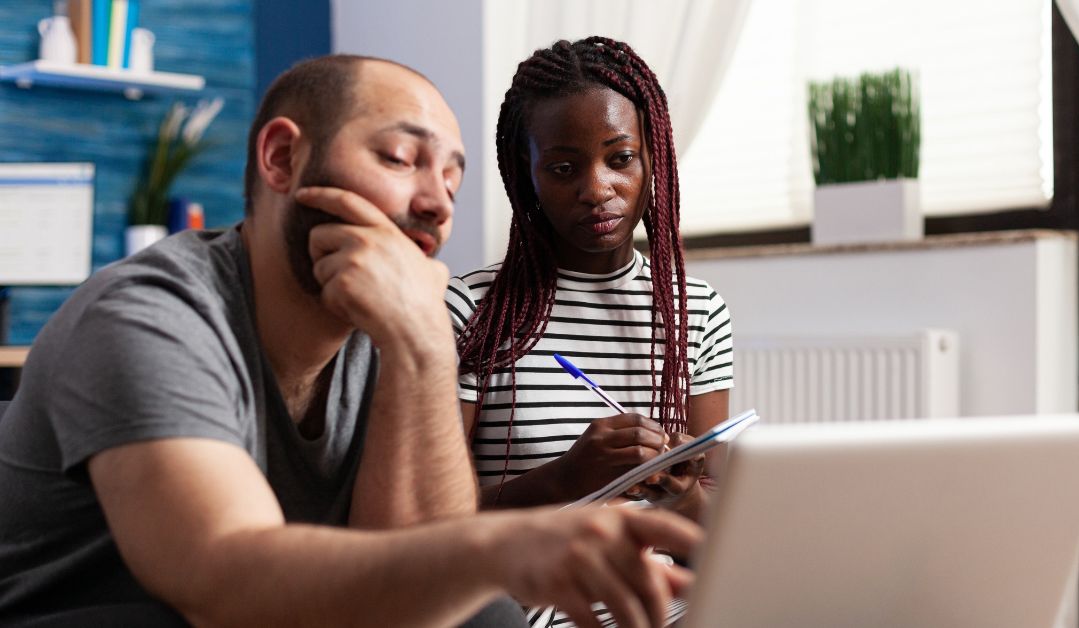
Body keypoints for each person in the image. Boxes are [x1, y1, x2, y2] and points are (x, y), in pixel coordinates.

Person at [0, 54, 700, 628]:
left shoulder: (387, 326)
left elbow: (424, 573)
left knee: (480, 613)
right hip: (115, 614)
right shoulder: (151, 314)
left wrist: (423, 344)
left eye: (452, 179)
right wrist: (508, 544)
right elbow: (219, 581)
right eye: (401, 159)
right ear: (281, 158)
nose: (436, 203)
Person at [446, 38, 735, 521]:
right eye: (563, 169)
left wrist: (682, 495)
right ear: (528, 176)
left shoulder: (698, 312)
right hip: (525, 594)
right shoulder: (471, 311)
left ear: (653, 159)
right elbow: (427, 519)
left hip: (658, 591)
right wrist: (565, 478)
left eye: (620, 158)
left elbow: (718, 517)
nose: (597, 190)